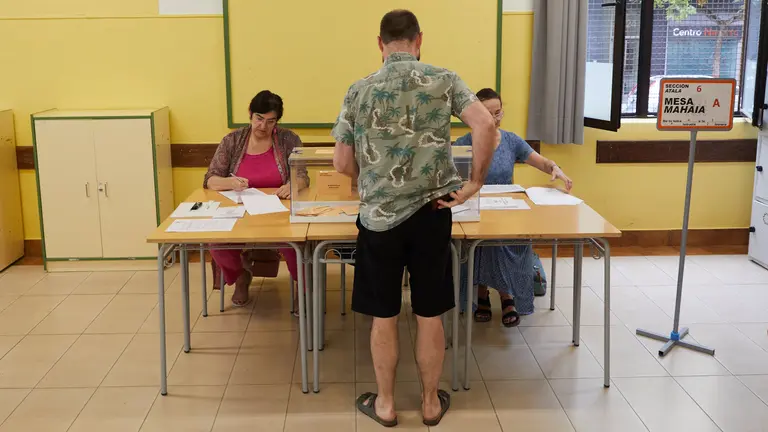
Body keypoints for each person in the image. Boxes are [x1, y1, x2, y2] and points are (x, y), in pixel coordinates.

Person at [332, 10, 495, 428]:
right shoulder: (445, 79)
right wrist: (474, 182)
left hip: (379, 220)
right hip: (431, 214)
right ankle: (430, 404)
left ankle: (386, 405)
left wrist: (373, 179)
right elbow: (484, 124)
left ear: (380, 43)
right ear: (419, 39)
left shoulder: (359, 90)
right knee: (429, 312)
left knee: (384, 314)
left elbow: (342, 163)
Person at [456, 88, 572, 326]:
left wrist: (555, 168)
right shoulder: (464, 143)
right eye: (488, 113)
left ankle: (504, 293)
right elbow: (457, 182)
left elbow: (540, 161)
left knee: (509, 237)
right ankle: (487, 293)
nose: (494, 119)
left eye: (498, 112)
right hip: (476, 209)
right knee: (482, 239)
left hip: (506, 208)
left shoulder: (511, 141)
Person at [204, 90, 308, 308]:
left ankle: (302, 286)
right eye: (259, 119)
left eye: (271, 121)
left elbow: (302, 176)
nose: (263, 126)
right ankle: (240, 276)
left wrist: (293, 185)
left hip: (278, 212)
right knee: (216, 243)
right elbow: (211, 180)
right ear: (250, 114)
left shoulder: (289, 139)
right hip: (239, 211)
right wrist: (230, 182)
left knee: (296, 243)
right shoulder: (233, 140)